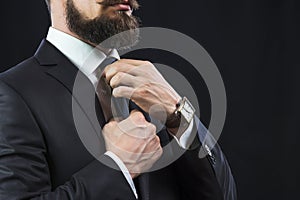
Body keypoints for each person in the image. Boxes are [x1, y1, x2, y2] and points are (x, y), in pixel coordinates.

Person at [0, 0, 236, 199]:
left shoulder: (153, 88)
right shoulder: (11, 93)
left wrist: (178, 114)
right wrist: (119, 167)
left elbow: (223, 195)